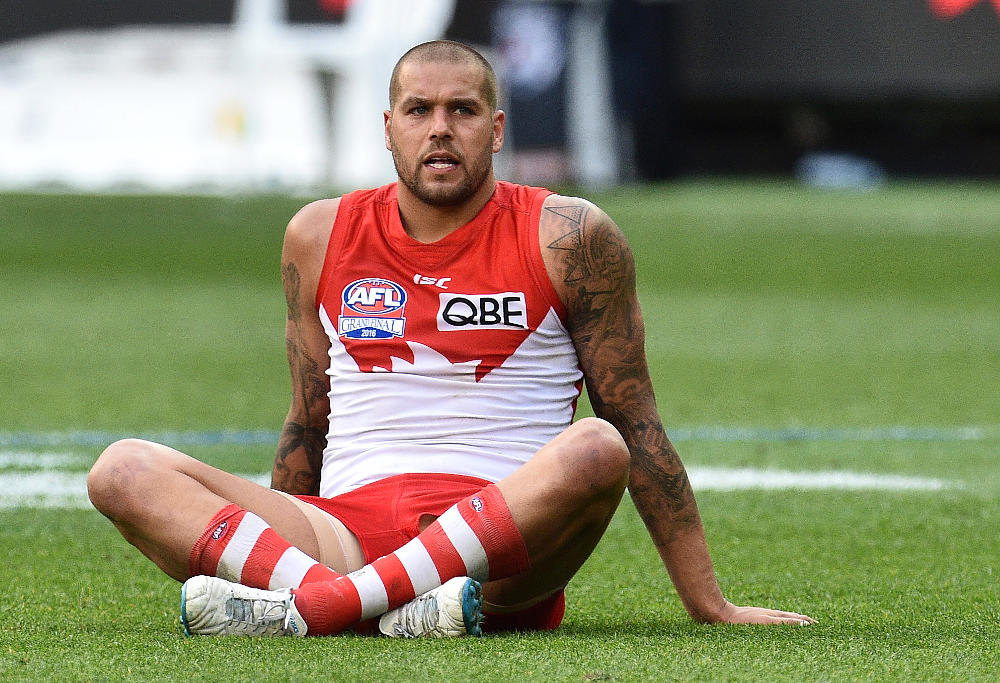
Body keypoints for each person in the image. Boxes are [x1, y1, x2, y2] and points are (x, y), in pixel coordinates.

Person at [87, 40, 815, 638]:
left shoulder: (569, 233)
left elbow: (637, 420)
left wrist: (708, 600)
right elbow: (309, 419)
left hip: (499, 552)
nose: (440, 127)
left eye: (462, 110)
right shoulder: (318, 233)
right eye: (419, 110)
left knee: (599, 446)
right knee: (121, 471)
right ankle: (366, 604)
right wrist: (277, 548)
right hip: (342, 533)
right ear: (389, 127)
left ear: (496, 129)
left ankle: (317, 611)